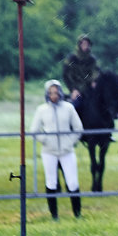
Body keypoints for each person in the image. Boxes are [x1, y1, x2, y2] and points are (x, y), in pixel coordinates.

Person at [29, 79, 84, 219]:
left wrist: (69, 142)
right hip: (49, 152)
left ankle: (77, 214)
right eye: (51, 93)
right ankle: (54, 215)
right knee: (51, 182)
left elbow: (78, 128)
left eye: (56, 92)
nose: (54, 95)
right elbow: (34, 130)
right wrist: (46, 140)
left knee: (72, 182)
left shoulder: (69, 108)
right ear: (47, 94)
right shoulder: (41, 110)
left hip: (67, 151)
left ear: (60, 92)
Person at [62, 34, 100, 104]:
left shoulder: (92, 59)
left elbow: (96, 72)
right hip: (76, 89)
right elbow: (66, 75)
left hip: (90, 90)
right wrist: (73, 89)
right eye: (83, 44)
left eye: (87, 44)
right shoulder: (71, 58)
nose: (85, 46)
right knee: (75, 105)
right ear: (79, 45)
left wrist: (94, 81)